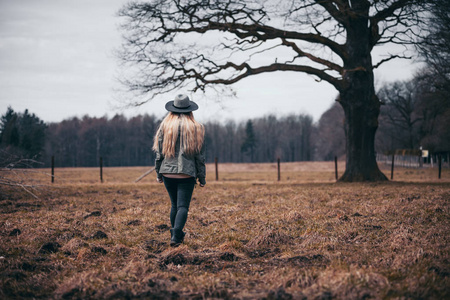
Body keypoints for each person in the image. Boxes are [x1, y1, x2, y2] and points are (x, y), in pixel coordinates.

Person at [153, 94, 206, 247]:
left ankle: (176, 234)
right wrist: (202, 178)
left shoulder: (165, 127)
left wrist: (158, 173)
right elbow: (199, 157)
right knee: (183, 206)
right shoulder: (197, 128)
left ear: (172, 111)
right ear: (190, 110)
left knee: (174, 205)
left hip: (167, 172)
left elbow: (159, 154)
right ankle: (176, 236)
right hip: (186, 173)